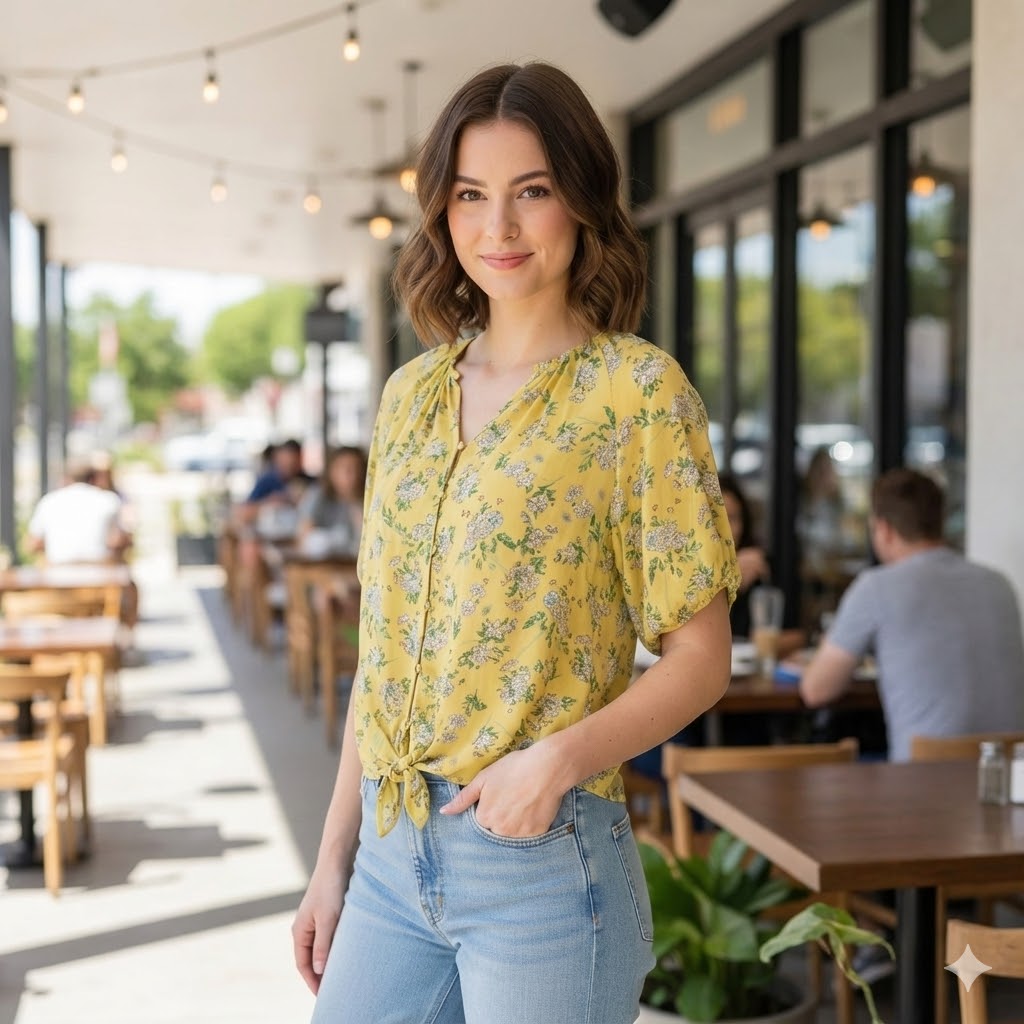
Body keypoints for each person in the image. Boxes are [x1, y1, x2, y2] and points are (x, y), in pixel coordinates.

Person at [292, 61, 739, 1024]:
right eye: (470, 196)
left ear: (580, 202)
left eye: (530, 192)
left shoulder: (636, 393)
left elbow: (701, 663)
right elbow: (383, 653)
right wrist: (335, 858)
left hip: (542, 864)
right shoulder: (410, 397)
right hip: (388, 857)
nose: (497, 229)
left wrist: (559, 760)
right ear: (442, 213)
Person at [800, 467, 1024, 761]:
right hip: (1005, 776)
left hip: (921, 782)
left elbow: (816, 690)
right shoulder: (999, 583)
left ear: (884, 529)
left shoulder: (876, 587)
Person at [26, 457, 130, 565]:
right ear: (94, 479)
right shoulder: (109, 500)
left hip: (58, 568)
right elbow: (120, 539)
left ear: (66, 479)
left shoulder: (48, 501)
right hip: (98, 567)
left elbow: (33, 543)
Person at [296, 446, 367, 554]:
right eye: (345, 469)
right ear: (332, 471)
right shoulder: (318, 496)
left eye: (357, 469)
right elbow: (303, 535)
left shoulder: (367, 501)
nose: (353, 475)